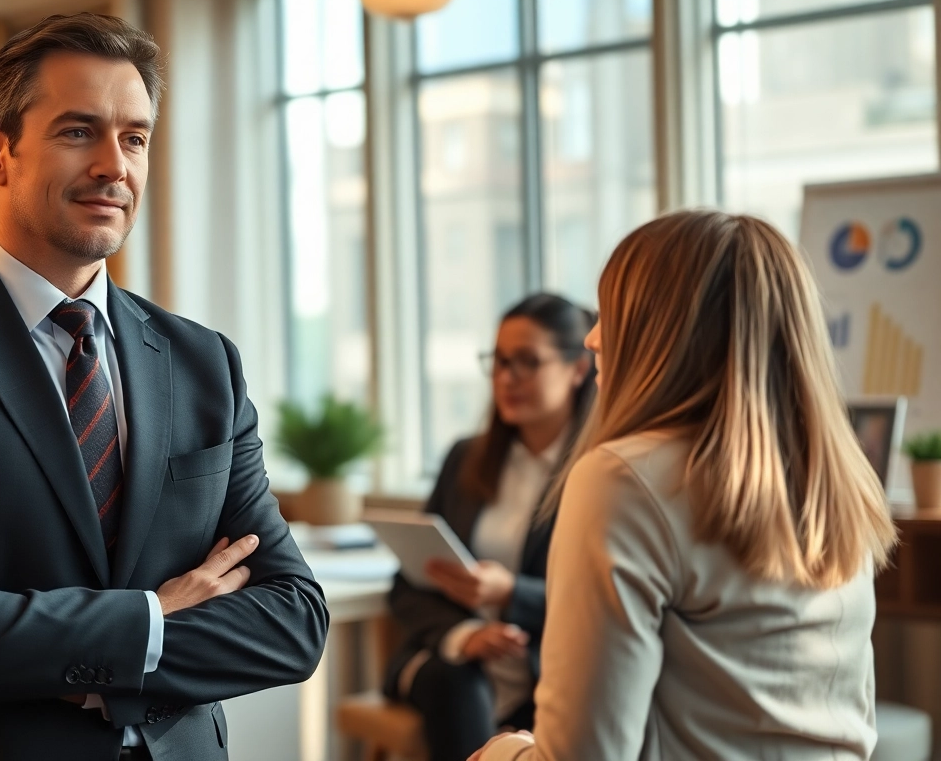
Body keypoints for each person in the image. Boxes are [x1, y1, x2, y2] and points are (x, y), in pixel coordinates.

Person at [0, 14, 328, 761]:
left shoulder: (205, 361)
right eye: (80, 131)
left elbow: (292, 622)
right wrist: (154, 616)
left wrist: (25, 637)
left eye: (136, 137)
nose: (116, 165)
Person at [470, 210, 897, 761]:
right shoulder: (838, 484)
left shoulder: (622, 480)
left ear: (672, 331)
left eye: (616, 312)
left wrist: (506, 751)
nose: (595, 338)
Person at [384, 294, 597, 761]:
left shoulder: (598, 474)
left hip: (544, 671)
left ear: (579, 369)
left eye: (527, 362)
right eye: (499, 361)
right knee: (456, 679)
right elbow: (405, 587)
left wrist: (509, 594)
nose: (506, 378)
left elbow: (599, 604)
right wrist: (463, 637)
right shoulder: (467, 458)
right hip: (452, 659)